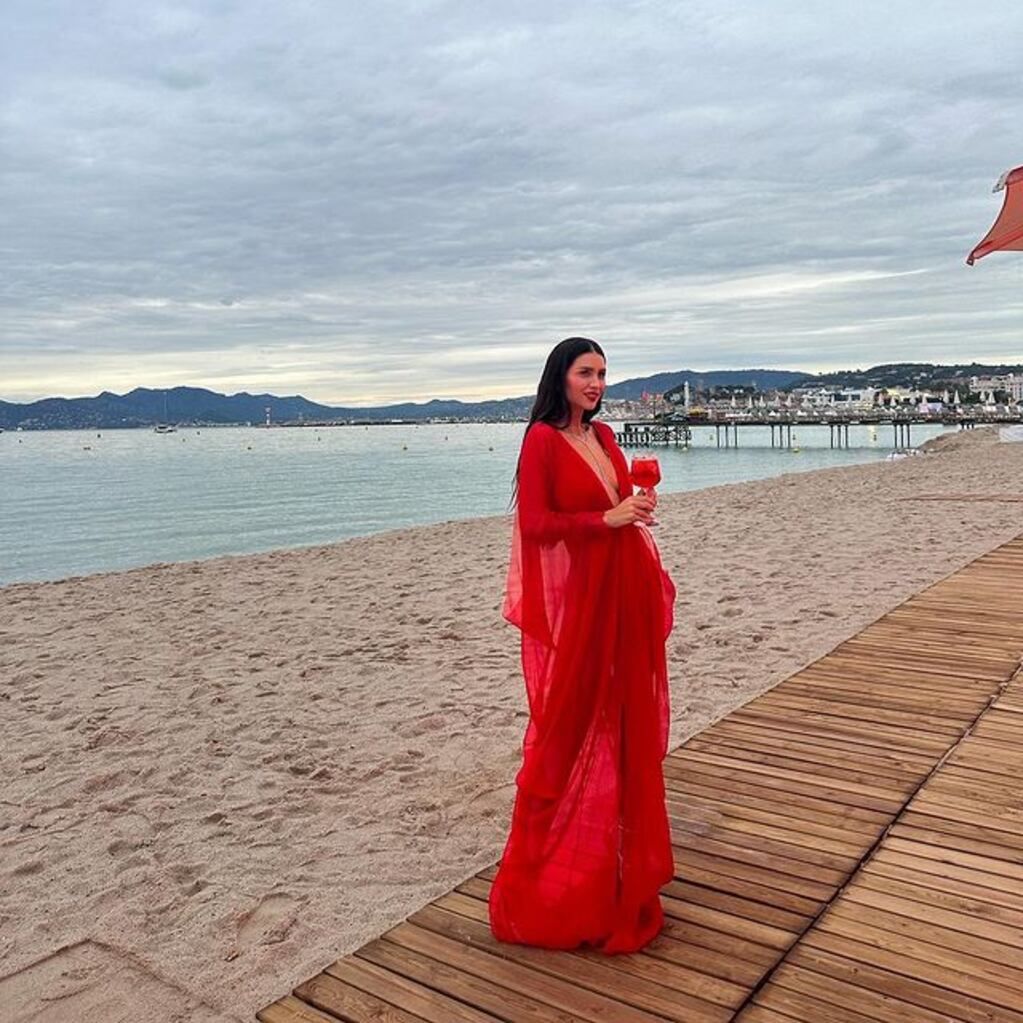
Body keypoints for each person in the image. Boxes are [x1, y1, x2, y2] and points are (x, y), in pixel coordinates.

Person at [488, 336, 677, 954]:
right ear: (560, 378)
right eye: (585, 373)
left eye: (602, 373)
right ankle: (542, 884)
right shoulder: (542, 440)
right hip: (585, 606)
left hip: (625, 595)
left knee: (624, 729)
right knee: (568, 728)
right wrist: (606, 520)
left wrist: (635, 505)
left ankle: (615, 874)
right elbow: (536, 526)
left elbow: (618, 503)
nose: (596, 384)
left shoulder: (605, 437)